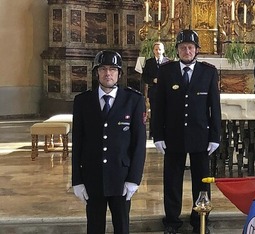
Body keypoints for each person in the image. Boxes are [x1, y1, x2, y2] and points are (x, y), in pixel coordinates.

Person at [152, 29, 222, 234]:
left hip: (201, 134)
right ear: (177, 50)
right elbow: (159, 106)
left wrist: (215, 136)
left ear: (197, 50)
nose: (187, 51)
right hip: (173, 135)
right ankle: (172, 222)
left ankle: (200, 220)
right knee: (172, 180)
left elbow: (214, 107)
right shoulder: (166, 71)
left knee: (202, 181)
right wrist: (158, 135)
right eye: (183, 47)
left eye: (190, 47)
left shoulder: (208, 72)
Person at [71, 50, 147, 234]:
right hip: (93, 176)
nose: (108, 74)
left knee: (122, 226)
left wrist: (134, 179)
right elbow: (78, 143)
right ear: (96, 73)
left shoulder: (133, 100)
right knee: (94, 227)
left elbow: (139, 144)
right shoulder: (83, 101)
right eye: (103, 69)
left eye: (113, 69)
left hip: (121, 178)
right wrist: (77, 180)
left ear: (119, 74)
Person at [141, 42, 170, 138]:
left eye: (160, 49)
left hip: (166, 92)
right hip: (154, 91)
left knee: (166, 112)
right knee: (154, 112)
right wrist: (153, 80)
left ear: (163, 50)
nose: (158, 51)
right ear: (153, 51)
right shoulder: (149, 62)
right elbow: (144, 77)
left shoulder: (168, 62)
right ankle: (153, 133)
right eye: (156, 49)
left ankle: (165, 132)